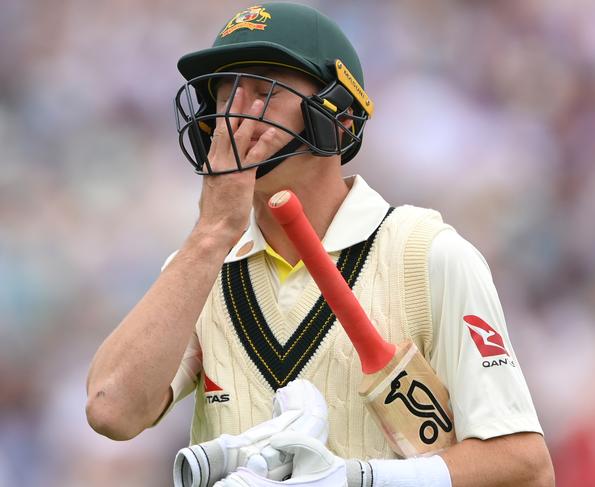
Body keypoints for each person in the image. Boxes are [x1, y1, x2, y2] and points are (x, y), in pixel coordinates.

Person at [86, 3, 554, 486]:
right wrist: (211, 233)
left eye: (266, 85)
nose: (235, 110)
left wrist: (359, 480)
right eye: (225, 89)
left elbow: (526, 468)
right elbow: (111, 411)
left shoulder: (428, 254)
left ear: (341, 115)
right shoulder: (201, 266)